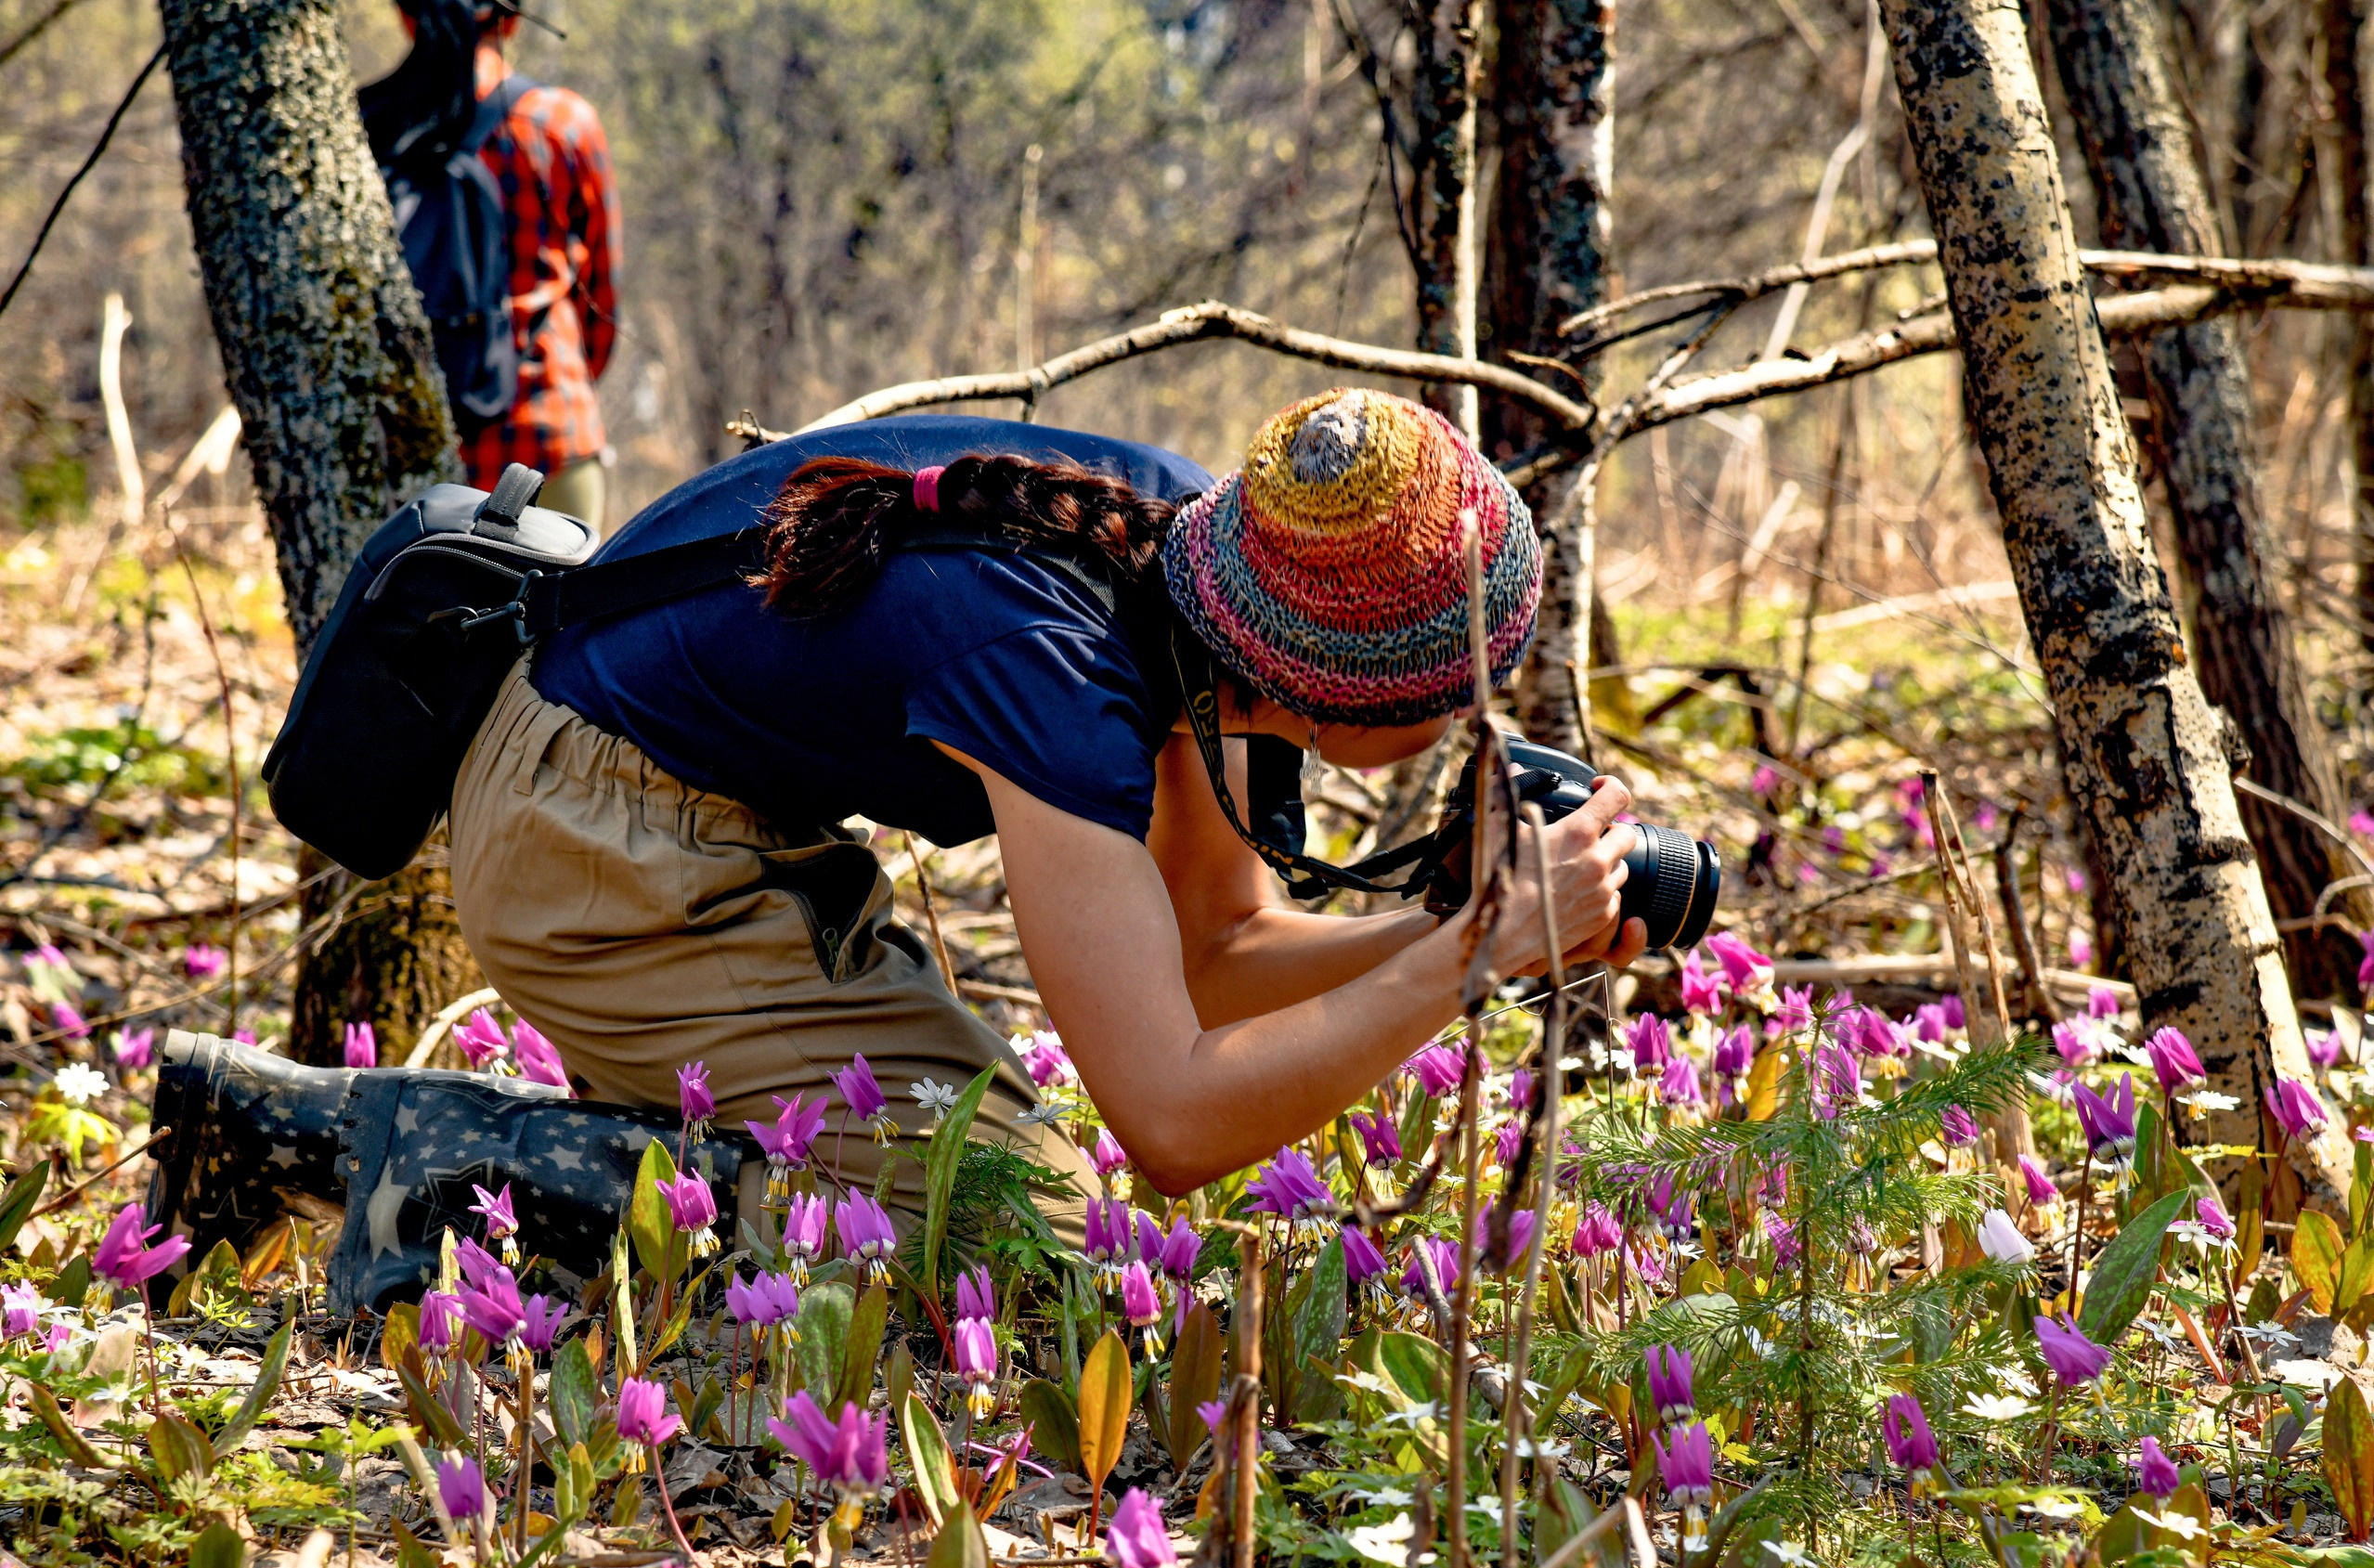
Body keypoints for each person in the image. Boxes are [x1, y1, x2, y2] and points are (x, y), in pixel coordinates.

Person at [446, 388, 1647, 1227]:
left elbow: (1218, 955)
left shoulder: (1205, 586)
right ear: (1347, 697)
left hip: (694, 810)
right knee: (1023, 1235)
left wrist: (1461, 922)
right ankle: (433, 1167)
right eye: (1463, 684)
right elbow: (1171, 1124)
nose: (1479, 706)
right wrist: (1475, 955)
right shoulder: (1057, 666)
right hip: (590, 839)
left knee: (1002, 1214)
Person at [360, 0, 622, 530]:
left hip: (417, 453)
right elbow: (603, 309)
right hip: (550, 434)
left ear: (407, 14)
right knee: (563, 614)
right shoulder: (562, 123)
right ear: (513, 18)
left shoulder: (368, 125)